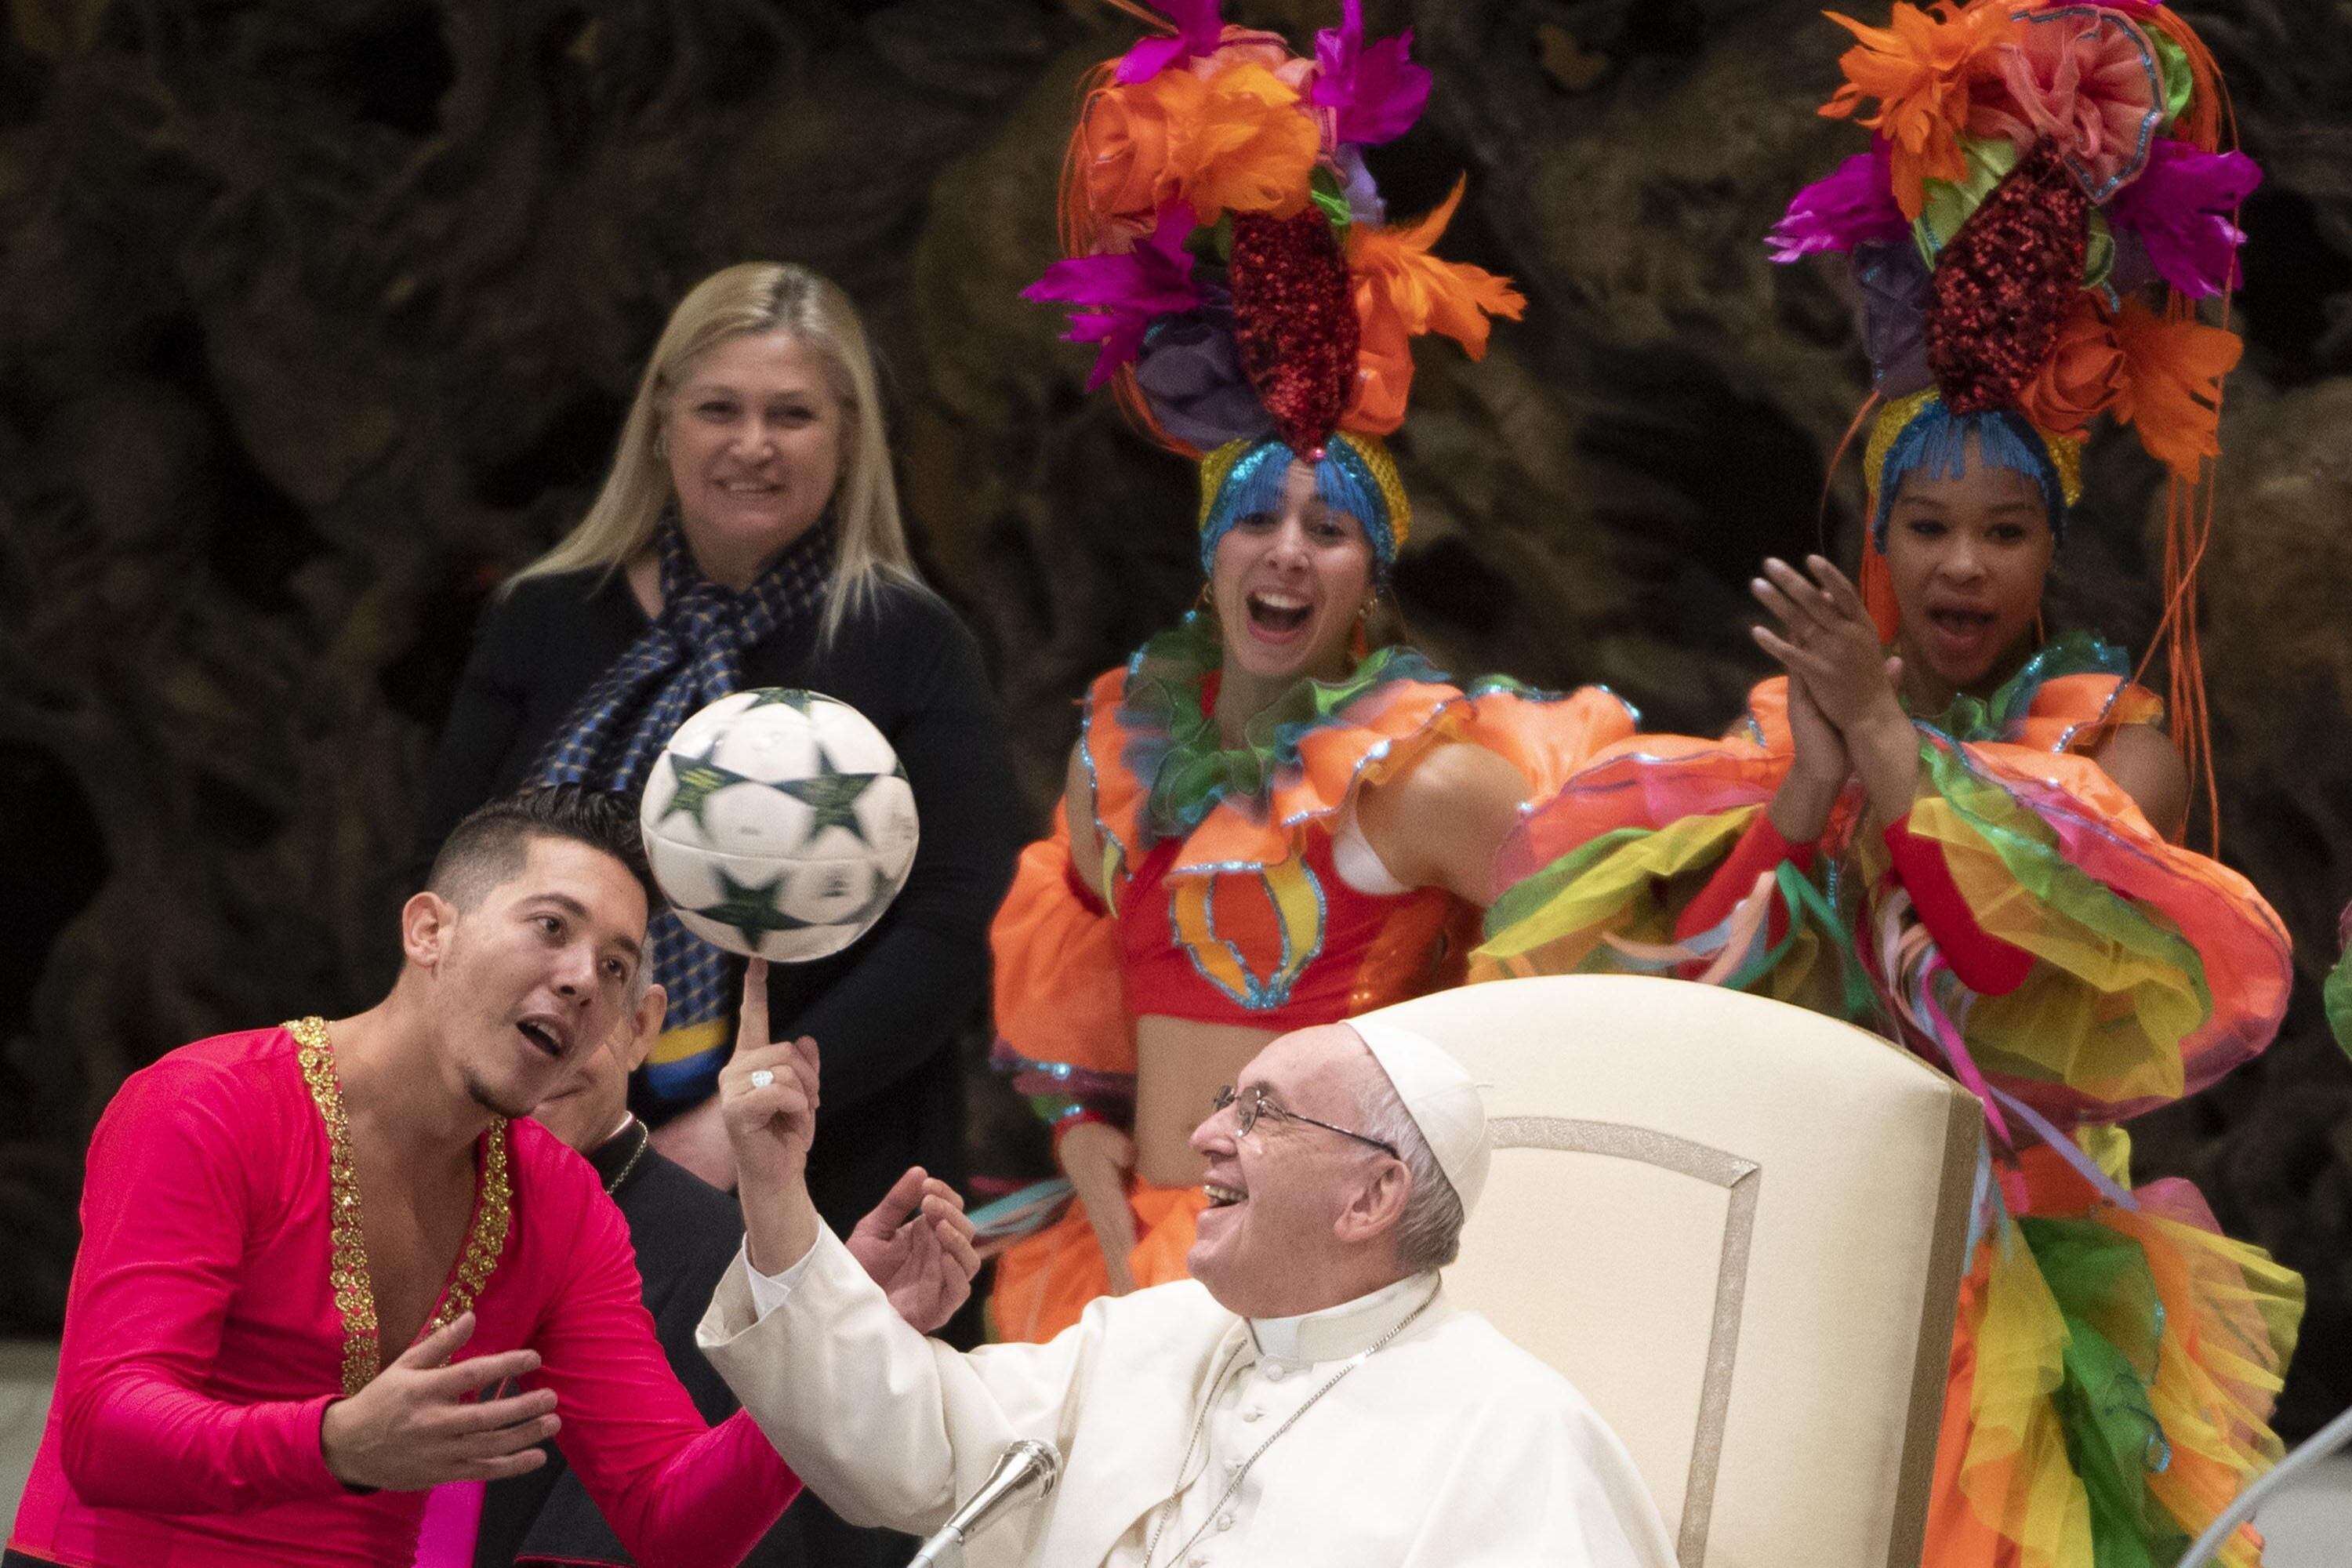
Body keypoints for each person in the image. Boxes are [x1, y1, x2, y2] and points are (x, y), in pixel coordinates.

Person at [1475, 7, 2304, 1566]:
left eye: (2005, 529)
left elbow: (2013, 968)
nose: (1965, 563)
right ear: (1881, 541)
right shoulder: (1803, 710)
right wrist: (1812, 781)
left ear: (2055, 549)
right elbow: (1681, 975)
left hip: (2031, 1280)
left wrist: (1889, 752)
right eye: (1929, 527)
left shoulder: (2114, 741)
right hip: (1808, 1239)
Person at [989, 0, 1639, 1340]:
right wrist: (1078, 1135)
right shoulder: (1118, 764)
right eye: (1258, 521)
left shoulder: (1421, 782)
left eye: (1329, 530)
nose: (1288, 554)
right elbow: (1084, 1001)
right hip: (1143, 1275)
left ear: (1371, 575)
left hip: (1335, 1299)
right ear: (1211, 550)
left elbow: (1605, 983)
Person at [5, 786, 968, 1568]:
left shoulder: (559, 1201)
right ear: (429, 928)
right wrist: (335, 1442)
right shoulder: (206, 1103)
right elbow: (103, 1427)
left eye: (617, 965)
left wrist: (843, 1336)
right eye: (551, 925)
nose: (584, 978)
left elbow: (670, 1516)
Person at [410, 260, 1022, 1239]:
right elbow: (445, 873)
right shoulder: (545, 616)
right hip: (533, 1157)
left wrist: (741, 1121)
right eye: (718, 409)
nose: (752, 446)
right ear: (661, 421)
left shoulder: (909, 640)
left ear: (850, 435)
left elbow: (962, 918)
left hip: (832, 1166)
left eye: (792, 415)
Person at [700, 1000, 1679, 1568]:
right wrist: (777, 1193)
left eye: (1263, 1112)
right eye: (1226, 1103)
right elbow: (916, 1446)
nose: (1207, 1135)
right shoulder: (1149, 1336)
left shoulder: (1519, 1437)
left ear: (1373, 1194)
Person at [417, 958, 971, 1568]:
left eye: (587, 1008)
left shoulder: (731, 1269)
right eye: (519, 1017)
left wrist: (839, 1337)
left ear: (640, 1027)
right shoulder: (380, 1203)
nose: (552, 1053)